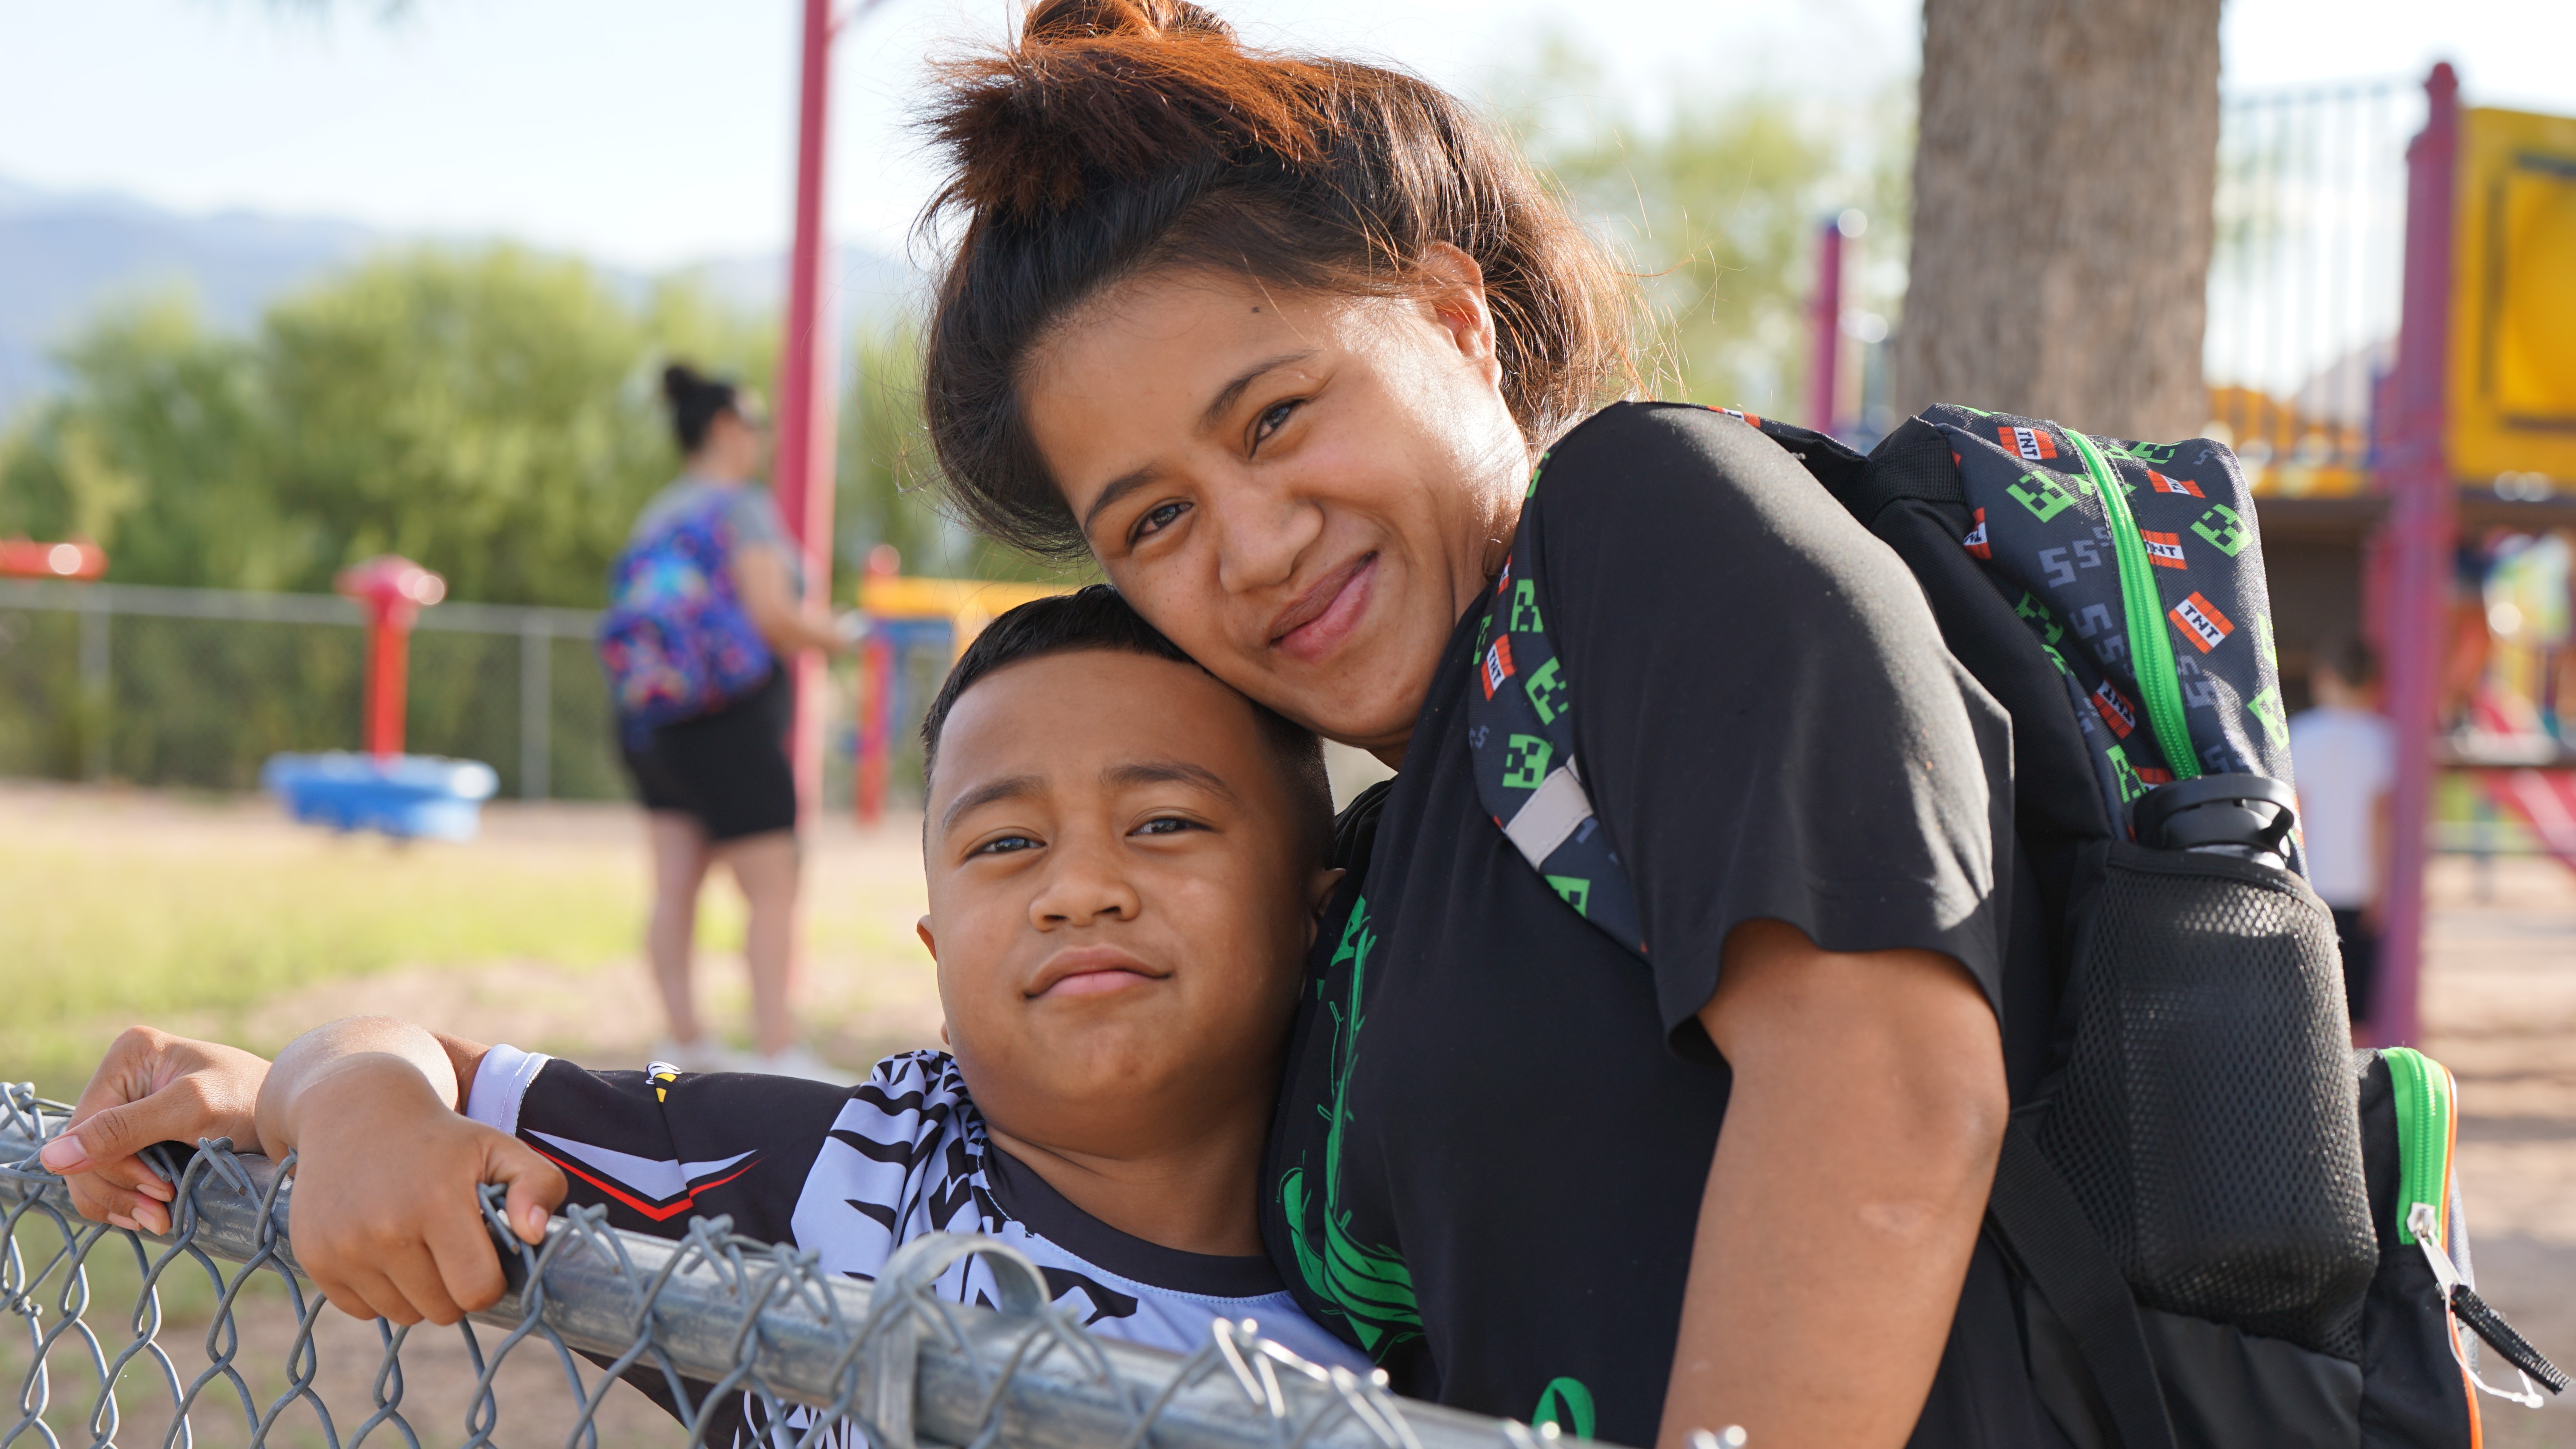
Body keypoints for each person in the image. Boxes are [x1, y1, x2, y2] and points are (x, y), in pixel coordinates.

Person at [915, 5, 2026, 1446]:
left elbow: (1890, 1089)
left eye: (1277, 417)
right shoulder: (1373, 864)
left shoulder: (1639, 526)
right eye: (1158, 517)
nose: (1251, 546)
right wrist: (544, 1139)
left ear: (1456, 318)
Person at [43, 588, 1364, 1445]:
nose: (1078, 885)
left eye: (1166, 823)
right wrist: (347, 1105)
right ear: (934, 949)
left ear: (1320, 914)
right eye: (1005, 842)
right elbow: (388, 1051)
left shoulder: (1429, 1278)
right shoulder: (835, 1176)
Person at [622, 364, 849, 1079]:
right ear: (724, 428)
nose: (762, 440)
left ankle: (686, 1040)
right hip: (730, 722)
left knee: (675, 885)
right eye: (756, 425)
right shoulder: (741, 508)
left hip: (651, 724)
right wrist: (838, 636)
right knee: (774, 887)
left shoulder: (656, 515)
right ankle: (778, 1049)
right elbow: (773, 614)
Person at [2290, 637, 2393, 1033]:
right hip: (2363, 888)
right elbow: (2382, 822)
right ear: (2376, 685)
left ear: (2324, 678)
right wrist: (2384, 889)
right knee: (2357, 1010)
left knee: (2310, 998)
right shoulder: (2385, 740)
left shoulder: (2299, 734)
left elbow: (2298, 815)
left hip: (2309, 884)